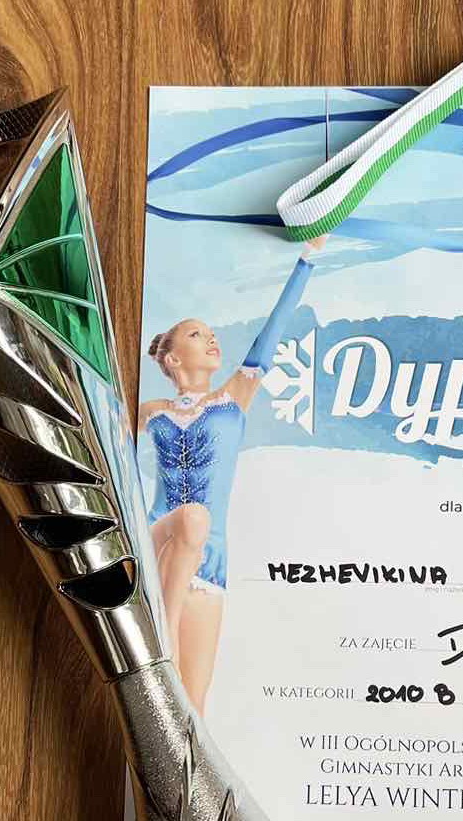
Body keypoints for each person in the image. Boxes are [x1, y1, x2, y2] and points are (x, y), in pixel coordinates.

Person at [139, 237, 325, 714]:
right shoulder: (151, 410)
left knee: (193, 708)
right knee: (192, 518)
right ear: (172, 359)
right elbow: (102, 440)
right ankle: (164, 637)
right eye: (196, 334)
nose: (211, 338)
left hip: (209, 566)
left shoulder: (232, 400)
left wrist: (307, 259)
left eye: (210, 333)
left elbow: (271, 334)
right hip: (157, 539)